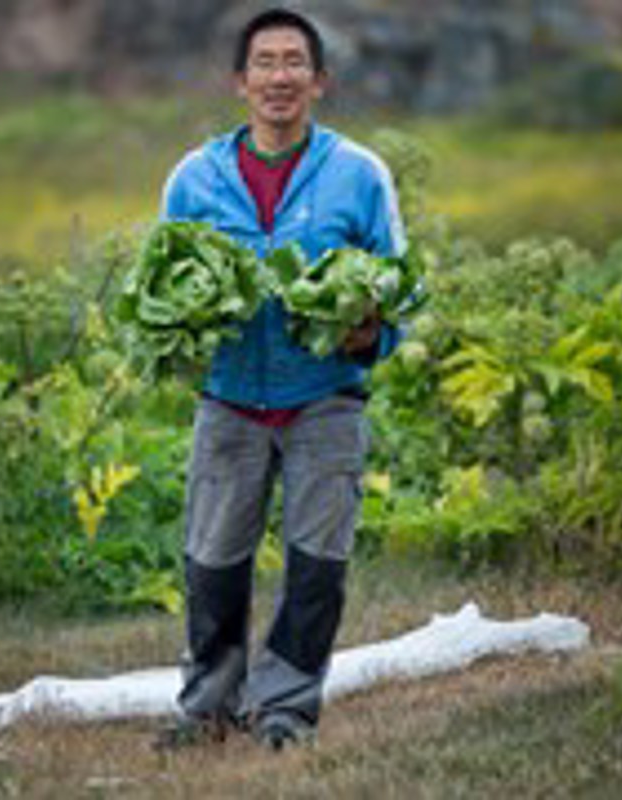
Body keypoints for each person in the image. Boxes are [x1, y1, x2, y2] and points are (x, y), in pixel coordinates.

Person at [156, 7, 406, 751]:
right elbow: (161, 280)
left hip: (325, 397)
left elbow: (401, 284)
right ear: (240, 82)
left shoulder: (360, 174)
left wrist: (371, 330)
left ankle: (287, 712)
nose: (279, 77)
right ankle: (207, 707)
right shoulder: (193, 178)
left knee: (316, 566)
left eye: (294, 62)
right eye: (263, 62)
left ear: (320, 81)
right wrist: (181, 332)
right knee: (211, 564)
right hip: (229, 398)